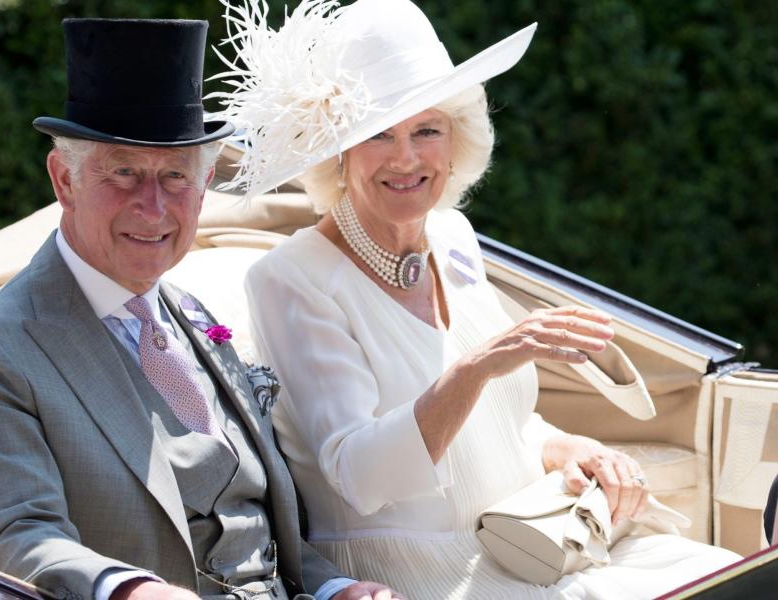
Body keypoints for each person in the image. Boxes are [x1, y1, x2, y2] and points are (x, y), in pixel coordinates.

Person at [213, 0, 742, 597]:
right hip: (424, 572)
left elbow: (500, 421)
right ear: (337, 153)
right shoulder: (291, 279)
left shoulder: (451, 235)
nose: (406, 157)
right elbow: (358, 474)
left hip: (535, 540)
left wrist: (566, 448)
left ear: (456, 138)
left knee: (727, 574)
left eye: (426, 130)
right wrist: (480, 363)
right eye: (377, 134)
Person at [0, 18, 401, 600]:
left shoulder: (195, 318)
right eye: (124, 171)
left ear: (202, 192)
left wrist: (338, 590)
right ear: (64, 180)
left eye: (176, 176)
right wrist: (130, 592)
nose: (153, 208)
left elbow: (259, 530)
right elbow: (14, 538)